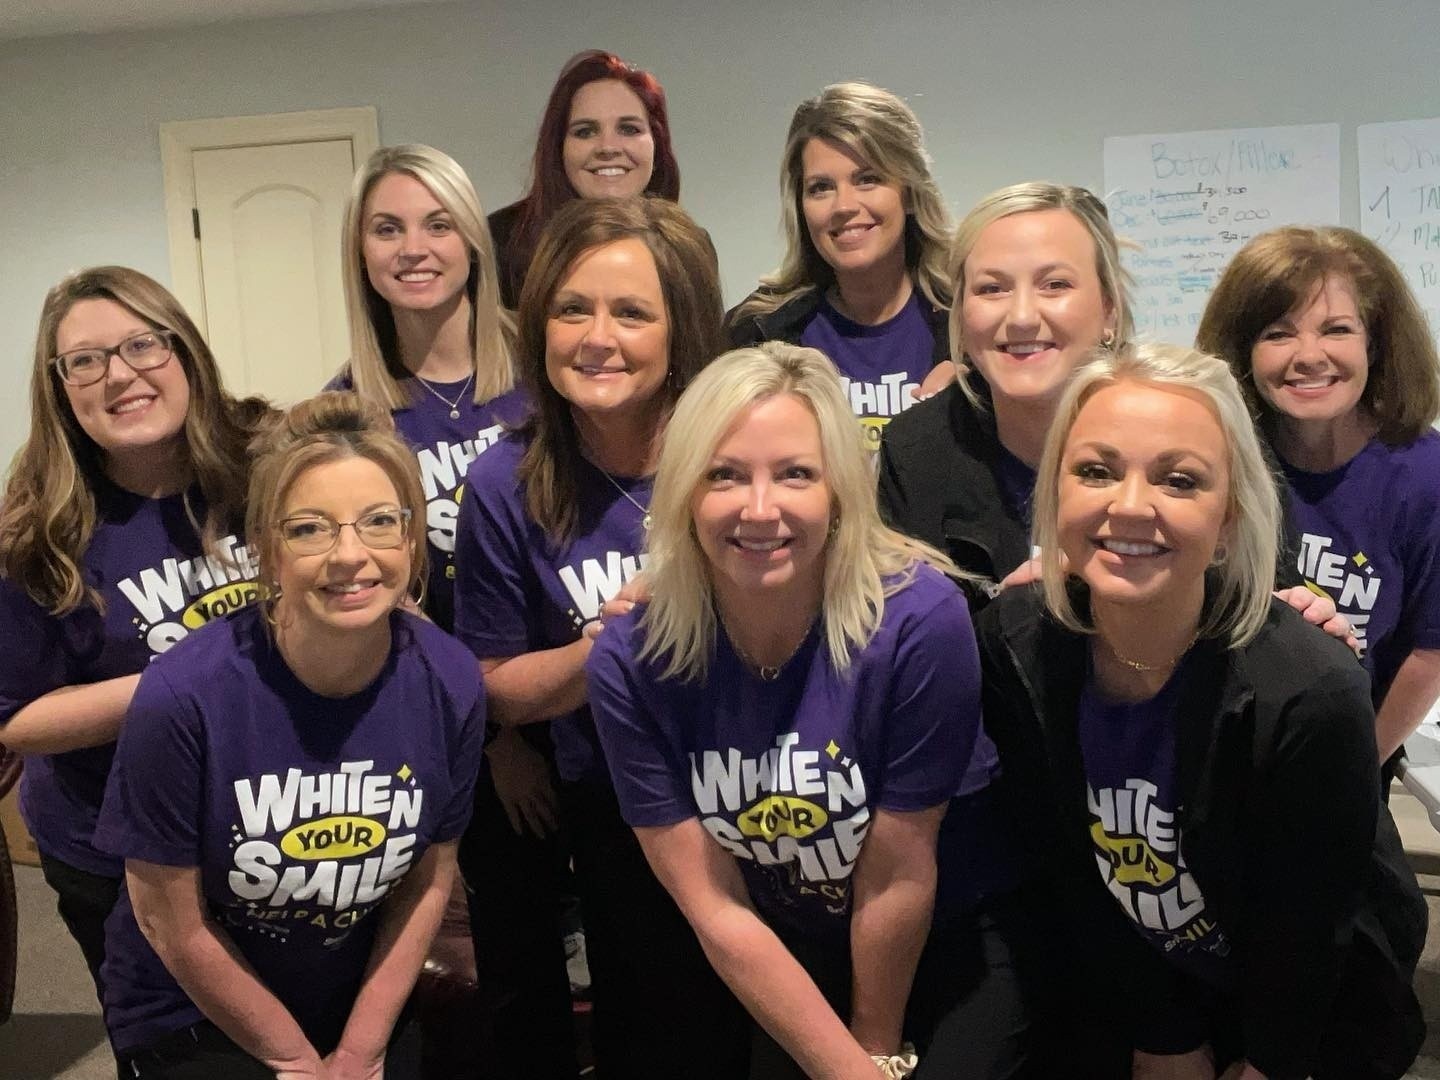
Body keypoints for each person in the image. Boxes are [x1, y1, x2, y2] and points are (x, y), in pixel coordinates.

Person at [977, 340, 1426, 1079]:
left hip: (1316, 1009)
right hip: (1140, 981)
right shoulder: (1016, 647)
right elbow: (1072, 865)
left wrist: (1266, 1064)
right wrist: (1163, 1036)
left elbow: (1311, 933)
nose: (1129, 505)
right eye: (1095, 471)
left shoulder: (1308, 692)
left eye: (1179, 480)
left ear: (1228, 520)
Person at [588, 341, 1032, 1080]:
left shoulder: (919, 620)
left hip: (953, 940)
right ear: (683, 492)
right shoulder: (631, 659)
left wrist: (873, 1053)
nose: (760, 509)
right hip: (790, 955)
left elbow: (898, 872)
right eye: (724, 474)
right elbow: (715, 904)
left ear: (839, 491)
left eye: (795, 473)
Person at [93, 391, 486, 1078]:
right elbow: (169, 922)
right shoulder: (182, 697)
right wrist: (294, 1061)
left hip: (351, 994)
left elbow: (428, 881)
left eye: (380, 522)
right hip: (191, 1007)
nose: (350, 556)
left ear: (411, 537)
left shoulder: (451, 681)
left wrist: (362, 1050)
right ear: (267, 552)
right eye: (309, 529)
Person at [452, 195, 744, 1078]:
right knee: (653, 1038)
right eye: (573, 309)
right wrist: (611, 646)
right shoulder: (504, 481)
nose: (597, 337)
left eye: (631, 313)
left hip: (766, 783)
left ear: (681, 329)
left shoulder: (737, 450)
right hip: (620, 807)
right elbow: (495, 686)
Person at [0, 267, 274, 1014]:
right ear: (60, 388)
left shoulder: (268, 466)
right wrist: (185, 682)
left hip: (277, 823)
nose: (120, 374)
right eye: (85, 361)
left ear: (184, 351)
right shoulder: (37, 529)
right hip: (116, 851)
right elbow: (16, 720)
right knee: (173, 1047)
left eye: (143, 345)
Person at [1197, 226, 1440, 775]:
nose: (1309, 356)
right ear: (1243, 351)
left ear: (1374, 343)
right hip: (1213, 760)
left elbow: (1430, 652)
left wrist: (1355, 771)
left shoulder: (1426, 477)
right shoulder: (1217, 457)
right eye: (1278, 334)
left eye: (1336, 329)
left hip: (1341, 760)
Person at [337, 142, 525, 633]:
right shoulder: (345, 413)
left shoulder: (547, 361)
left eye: (439, 225)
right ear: (360, 252)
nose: (413, 249)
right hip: (429, 663)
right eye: (387, 229)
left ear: (472, 241)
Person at [727, 83, 956, 449]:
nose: (844, 206)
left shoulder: (971, 325)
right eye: (821, 187)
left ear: (911, 193)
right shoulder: (754, 332)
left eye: (868, 179)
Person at [487, 49, 680, 309]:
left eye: (628, 129)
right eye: (585, 131)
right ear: (559, 148)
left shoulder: (684, 247)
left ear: (657, 144)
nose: (608, 147)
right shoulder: (500, 243)